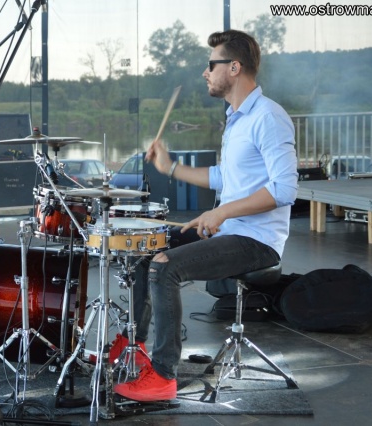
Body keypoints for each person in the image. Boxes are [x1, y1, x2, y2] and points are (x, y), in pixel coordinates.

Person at [112, 29, 299, 402]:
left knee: (165, 267)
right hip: (230, 231)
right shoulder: (237, 118)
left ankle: (163, 376)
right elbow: (224, 177)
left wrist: (222, 211)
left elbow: (284, 189)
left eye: (211, 65)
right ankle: (135, 344)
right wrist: (170, 168)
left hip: (257, 241)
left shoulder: (268, 117)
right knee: (146, 248)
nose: (205, 72)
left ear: (234, 67)